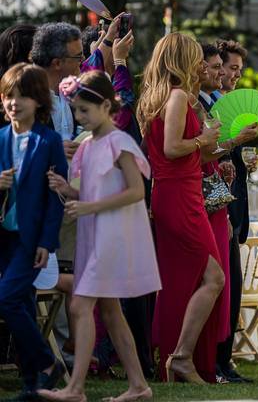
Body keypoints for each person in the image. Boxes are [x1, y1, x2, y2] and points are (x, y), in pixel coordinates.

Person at [40, 71, 159, 402]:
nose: (79, 117)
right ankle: (139, 386)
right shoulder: (85, 147)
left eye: (85, 111)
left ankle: (75, 389)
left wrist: (89, 206)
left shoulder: (120, 143)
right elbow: (81, 193)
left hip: (114, 238)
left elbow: (136, 192)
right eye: (75, 110)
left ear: (107, 105)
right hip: (93, 239)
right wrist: (65, 190)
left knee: (80, 305)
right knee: (110, 311)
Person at [137, 33, 224, 384]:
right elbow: (174, 148)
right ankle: (182, 357)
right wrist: (204, 138)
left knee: (181, 281)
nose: (201, 64)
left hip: (177, 192)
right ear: (181, 60)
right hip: (179, 196)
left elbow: (185, 152)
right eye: (195, 58)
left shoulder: (165, 97)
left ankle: (178, 357)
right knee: (214, 277)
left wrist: (214, 142)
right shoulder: (174, 98)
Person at [0, 63, 67, 400]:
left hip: (30, 239)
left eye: (23, 96)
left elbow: (56, 198)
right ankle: (33, 383)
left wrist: (47, 241)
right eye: (9, 96)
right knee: (22, 304)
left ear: (39, 100)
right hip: (4, 239)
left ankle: (46, 362)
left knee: (7, 299)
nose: (14, 102)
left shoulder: (50, 141)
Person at [213, 39, 257, 384]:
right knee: (225, 283)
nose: (235, 76)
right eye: (230, 68)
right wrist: (235, 143)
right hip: (217, 205)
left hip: (235, 201)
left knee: (234, 285)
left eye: (239, 71)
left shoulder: (225, 104)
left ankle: (225, 359)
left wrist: (244, 161)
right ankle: (218, 360)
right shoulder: (208, 105)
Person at [29, 22, 83, 160]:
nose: (82, 62)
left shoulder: (79, 93)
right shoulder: (21, 97)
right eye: (78, 57)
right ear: (57, 63)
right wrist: (51, 150)